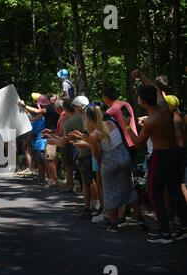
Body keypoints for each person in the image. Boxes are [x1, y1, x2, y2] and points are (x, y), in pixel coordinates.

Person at [127, 70, 187, 243]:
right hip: (175, 153)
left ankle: (165, 232)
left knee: (154, 192)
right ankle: (183, 226)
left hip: (160, 156)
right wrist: (141, 76)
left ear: (144, 102)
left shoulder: (151, 121)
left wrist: (127, 127)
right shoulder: (165, 110)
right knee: (175, 190)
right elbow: (155, 88)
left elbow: (138, 144)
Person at [74, 104, 141, 232]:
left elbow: (98, 155)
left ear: (88, 119)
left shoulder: (94, 135)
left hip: (110, 162)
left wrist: (86, 145)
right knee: (128, 188)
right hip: (124, 156)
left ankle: (113, 224)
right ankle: (138, 217)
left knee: (110, 193)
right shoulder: (111, 123)